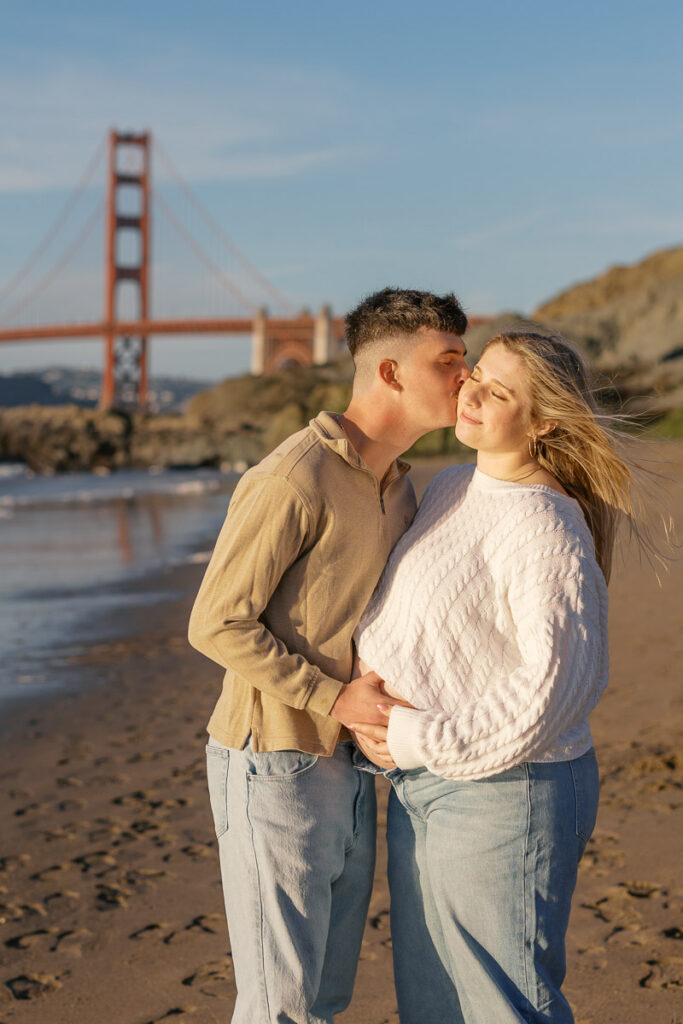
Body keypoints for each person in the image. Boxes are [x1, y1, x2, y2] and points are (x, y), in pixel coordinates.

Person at [352, 330, 652, 1023]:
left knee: (501, 1006)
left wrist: (413, 735)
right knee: (435, 1006)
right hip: (424, 786)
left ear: (543, 419)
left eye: (499, 391)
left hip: (505, 791)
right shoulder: (453, 484)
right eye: (475, 375)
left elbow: (554, 690)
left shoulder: (544, 525)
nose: (473, 394)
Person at [188, 287, 470, 1024]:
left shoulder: (399, 485)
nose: (463, 378)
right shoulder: (293, 478)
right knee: (278, 1007)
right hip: (271, 763)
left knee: (323, 998)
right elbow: (215, 623)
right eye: (447, 361)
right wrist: (333, 697)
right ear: (388, 374)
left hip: (346, 765)